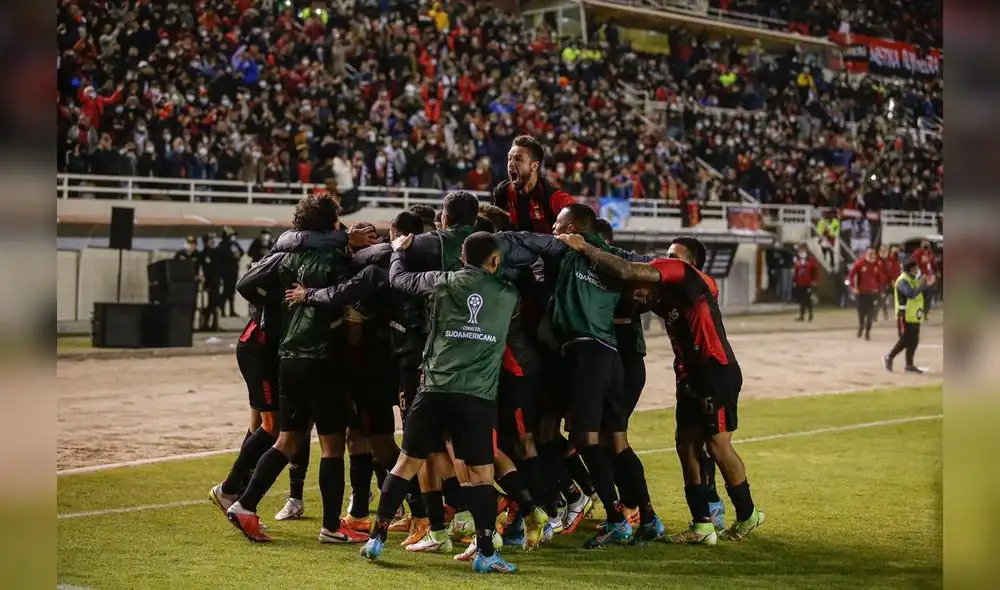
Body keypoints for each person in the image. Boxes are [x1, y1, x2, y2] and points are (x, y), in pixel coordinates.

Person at [555, 233, 765, 545]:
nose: (666, 260)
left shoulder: (688, 276)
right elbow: (634, 292)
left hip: (714, 371)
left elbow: (628, 272)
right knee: (686, 445)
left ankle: (748, 514)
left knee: (718, 445)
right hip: (689, 377)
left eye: (673, 255)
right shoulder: (669, 296)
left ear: (689, 264)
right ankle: (702, 525)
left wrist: (585, 247)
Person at [359, 231, 521, 574]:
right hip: (476, 395)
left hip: (433, 388)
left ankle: (376, 538)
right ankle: (486, 553)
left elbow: (399, 279)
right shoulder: (508, 295)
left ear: (462, 259)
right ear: (494, 261)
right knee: (479, 475)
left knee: (406, 464)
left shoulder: (442, 282)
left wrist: (400, 251)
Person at [223, 193, 366, 544]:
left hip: (289, 356)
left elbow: (248, 284)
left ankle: (244, 504)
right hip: (322, 357)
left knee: (287, 439)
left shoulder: (286, 257)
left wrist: (272, 312)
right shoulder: (337, 257)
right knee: (332, 446)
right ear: (331, 222)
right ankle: (332, 527)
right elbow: (349, 297)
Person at [492, 135, 575, 233]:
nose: (511, 163)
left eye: (518, 159)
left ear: (534, 166)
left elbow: (579, 235)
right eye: (509, 158)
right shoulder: (503, 192)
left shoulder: (556, 199)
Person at [884, 258, 935, 374]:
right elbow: (911, 294)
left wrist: (927, 285)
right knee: (905, 340)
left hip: (915, 315)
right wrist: (922, 285)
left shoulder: (913, 279)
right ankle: (889, 357)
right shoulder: (903, 280)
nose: (917, 270)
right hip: (905, 315)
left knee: (914, 341)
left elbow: (920, 292)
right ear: (911, 269)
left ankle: (909, 365)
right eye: (916, 267)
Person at [846, 247, 885, 340]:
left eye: (873, 254)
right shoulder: (860, 263)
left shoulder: (877, 264)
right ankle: (861, 327)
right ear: (866, 254)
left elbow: (880, 278)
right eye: (870, 253)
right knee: (861, 313)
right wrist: (853, 287)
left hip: (872, 293)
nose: (872, 256)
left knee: (871, 314)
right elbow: (851, 276)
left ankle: (867, 332)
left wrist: (881, 290)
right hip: (861, 293)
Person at [197, 232, 222, 331]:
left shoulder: (216, 253)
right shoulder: (203, 254)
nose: (212, 242)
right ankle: (207, 324)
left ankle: (213, 325)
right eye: (209, 240)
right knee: (212, 303)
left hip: (216, 281)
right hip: (208, 282)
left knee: (215, 303)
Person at [219, 227, 245, 317]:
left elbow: (241, 252)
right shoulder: (222, 245)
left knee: (231, 292)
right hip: (226, 272)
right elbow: (224, 256)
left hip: (233, 270)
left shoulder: (234, 244)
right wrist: (233, 256)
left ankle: (231, 310)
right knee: (226, 291)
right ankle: (222, 310)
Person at [792, 243, 818, 322]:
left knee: (806, 298)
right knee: (801, 299)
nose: (801, 251)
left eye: (802, 249)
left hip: (808, 282)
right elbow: (796, 271)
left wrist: (814, 280)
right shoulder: (798, 260)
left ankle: (809, 314)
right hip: (800, 283)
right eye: (800, 249)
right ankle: (802, 316)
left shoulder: (811, 259)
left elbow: (815, 271)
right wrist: (794, 280)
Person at [877, 244, 900, 320]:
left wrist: (895, 280)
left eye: (885, 250)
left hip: (890, 282)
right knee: (881, 299)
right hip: (881, 284)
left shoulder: (891, 259)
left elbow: (895, 270)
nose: (883, 251)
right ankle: (882, 313)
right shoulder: (876, 260)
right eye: (882, 250)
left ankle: (900, 313)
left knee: (898, 297)